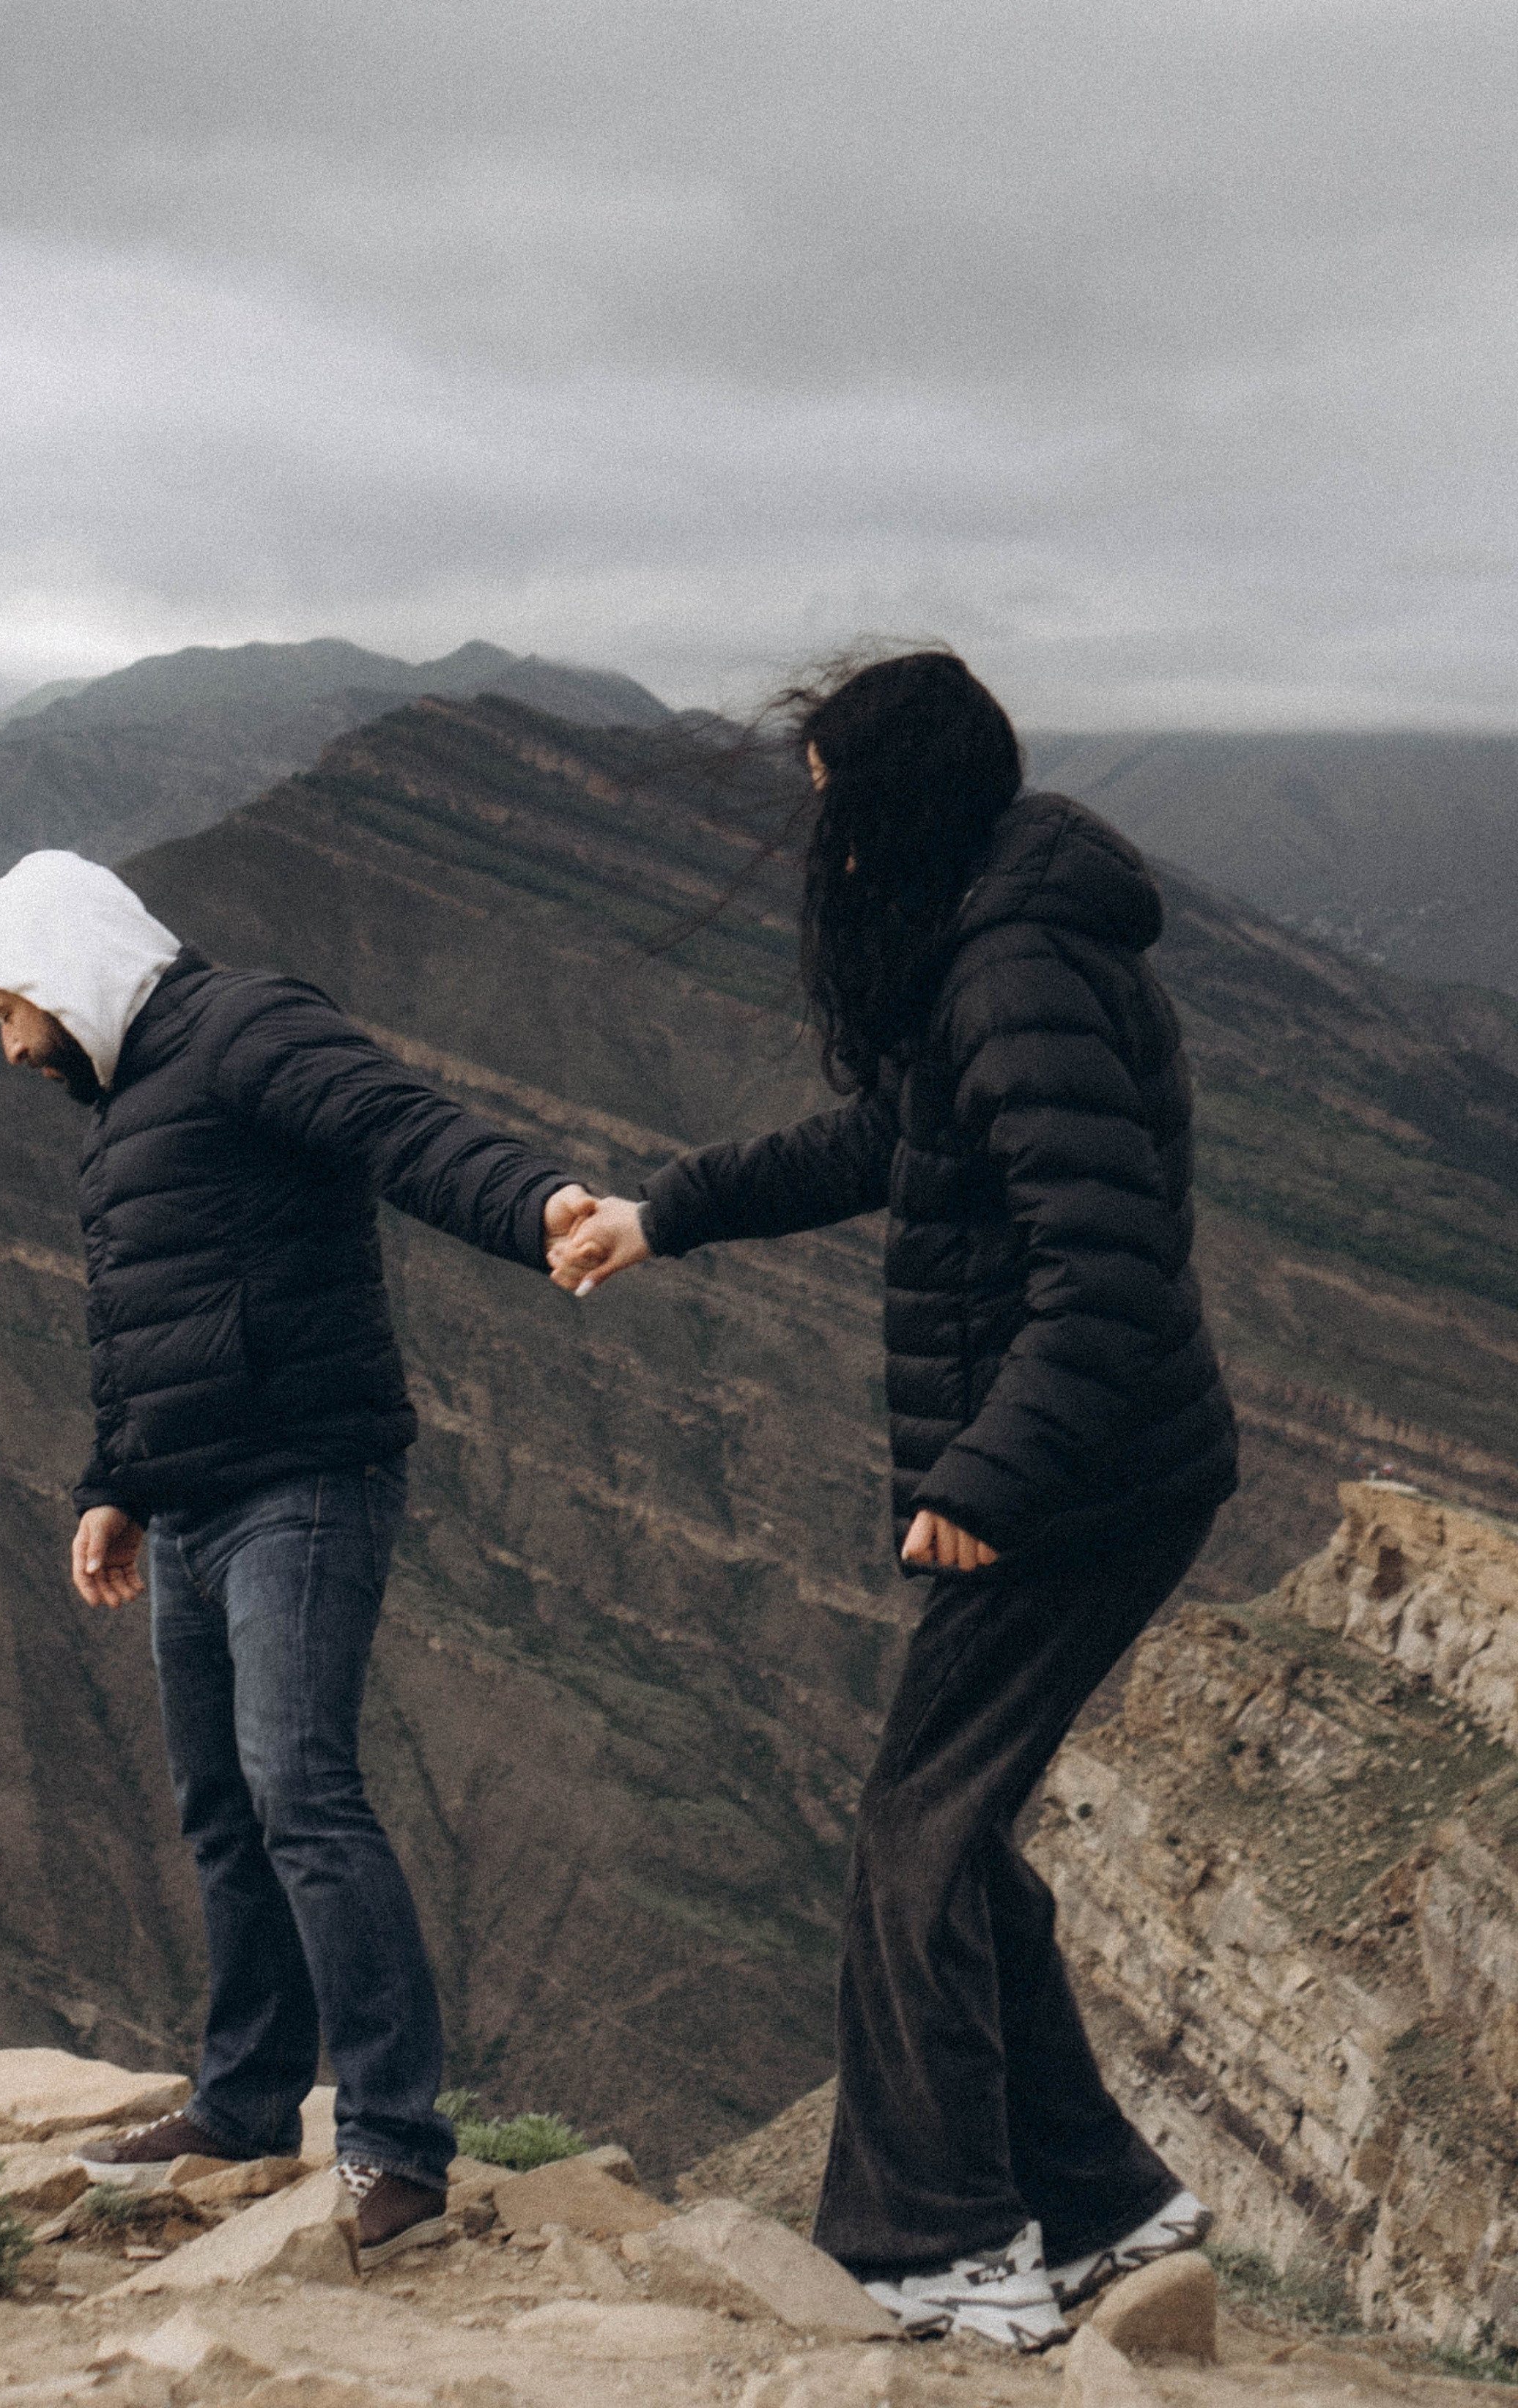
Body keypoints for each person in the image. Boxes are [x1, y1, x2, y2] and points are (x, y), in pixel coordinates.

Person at [549, 651, 1238, 2350]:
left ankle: (942, 2246)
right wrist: (665, 1213)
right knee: (954, 1840)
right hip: (1087, 1463)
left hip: (1081, 1478)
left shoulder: (1011, 970)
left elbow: (1108, 1275)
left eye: (834, 814)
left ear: (896, 809)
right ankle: (1099, 2212)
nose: (824, 853)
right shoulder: (992, 951)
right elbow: (891, 1147)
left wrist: (985, 1474)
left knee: (911, 1849)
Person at [0, 849, 595, 2270]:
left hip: (305, 1480)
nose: (7, 1048)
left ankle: (393, 2146)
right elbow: (145, 1330)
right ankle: (241, 2107)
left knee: (302, 1791)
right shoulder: (123, 1106)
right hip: (188, 1503)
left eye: (9, 1011)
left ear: (66, 973)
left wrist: (532, 1202)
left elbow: (402, 1128)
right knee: (222, 1810)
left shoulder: (241, 1026)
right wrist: (113, 1485)